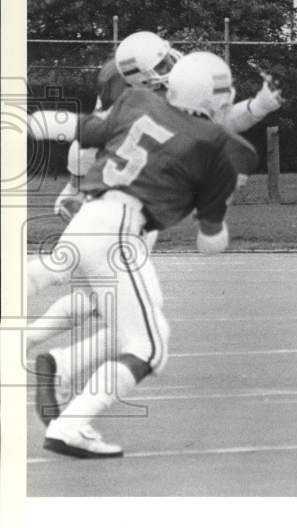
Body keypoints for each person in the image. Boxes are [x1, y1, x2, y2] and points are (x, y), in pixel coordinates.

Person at [26, 51, 255, 458]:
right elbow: (210, 242)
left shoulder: (138, 101)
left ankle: (61, 366)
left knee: (90, 296)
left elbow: (80, 128)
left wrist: (28, 124)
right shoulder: (218, 147)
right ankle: (71, 425)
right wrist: (223, 195)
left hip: (91, 215)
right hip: (122, 234)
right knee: (151, 347)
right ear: (215, 97)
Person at [26, 30, 278, 352]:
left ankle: (28, 343)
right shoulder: (159, 99)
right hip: (129, 206)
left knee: (90, 290)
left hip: (116, 203)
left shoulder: (139, 94)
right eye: (163, 59)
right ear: (146, 75)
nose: (173, 59)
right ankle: (49, 352)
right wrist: (76, 187)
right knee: (114, 299)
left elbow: (88, 136)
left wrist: (74, 186)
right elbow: (222, 124)